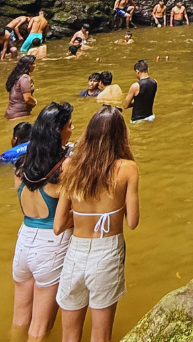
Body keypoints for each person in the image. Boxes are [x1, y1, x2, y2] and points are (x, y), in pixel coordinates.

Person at [54, 105, 140, 342]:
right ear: (120, 135)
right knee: (100, 336)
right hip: (108, 252)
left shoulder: (70, 166)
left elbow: (58, 224)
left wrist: (83, 214)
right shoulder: (128, 169)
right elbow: (132, 222)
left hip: (75, 253)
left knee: (69, 336)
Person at [12, 102, 74, 341]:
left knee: (19, 320)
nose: (72, 129)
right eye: (69, 125)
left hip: (24, 241)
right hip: (51, 246)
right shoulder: (66, 167)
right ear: (57, 131)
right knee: (39, 329)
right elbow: (73, 212)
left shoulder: (21, 166)